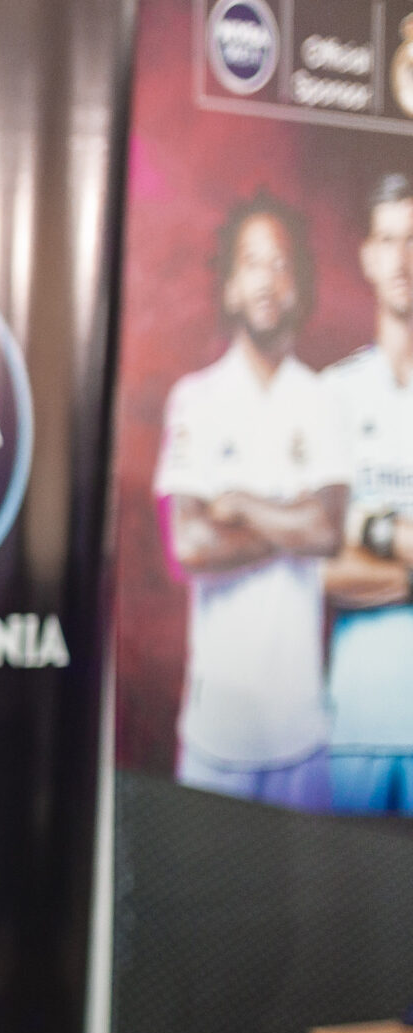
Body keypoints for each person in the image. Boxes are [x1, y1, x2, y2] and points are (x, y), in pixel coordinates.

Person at [155, 192, 347, 810]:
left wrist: (240, 501)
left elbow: (329, 532)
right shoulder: (196, 399)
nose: (267, 279)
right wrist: (293, 521)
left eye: (280, 263)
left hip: (303, 732)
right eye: (252, 263)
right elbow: (190, 545)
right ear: (231, 286)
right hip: (217, 735)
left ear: (299, 285)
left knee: (310, 879)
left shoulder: (323, 399)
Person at [324, 175, 413, 815]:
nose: (402, 260)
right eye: (388, 241)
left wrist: (366, 529)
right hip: (354, 724)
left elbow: (343, 546)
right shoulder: (333, 395)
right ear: (367, 256)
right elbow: (317, 570)